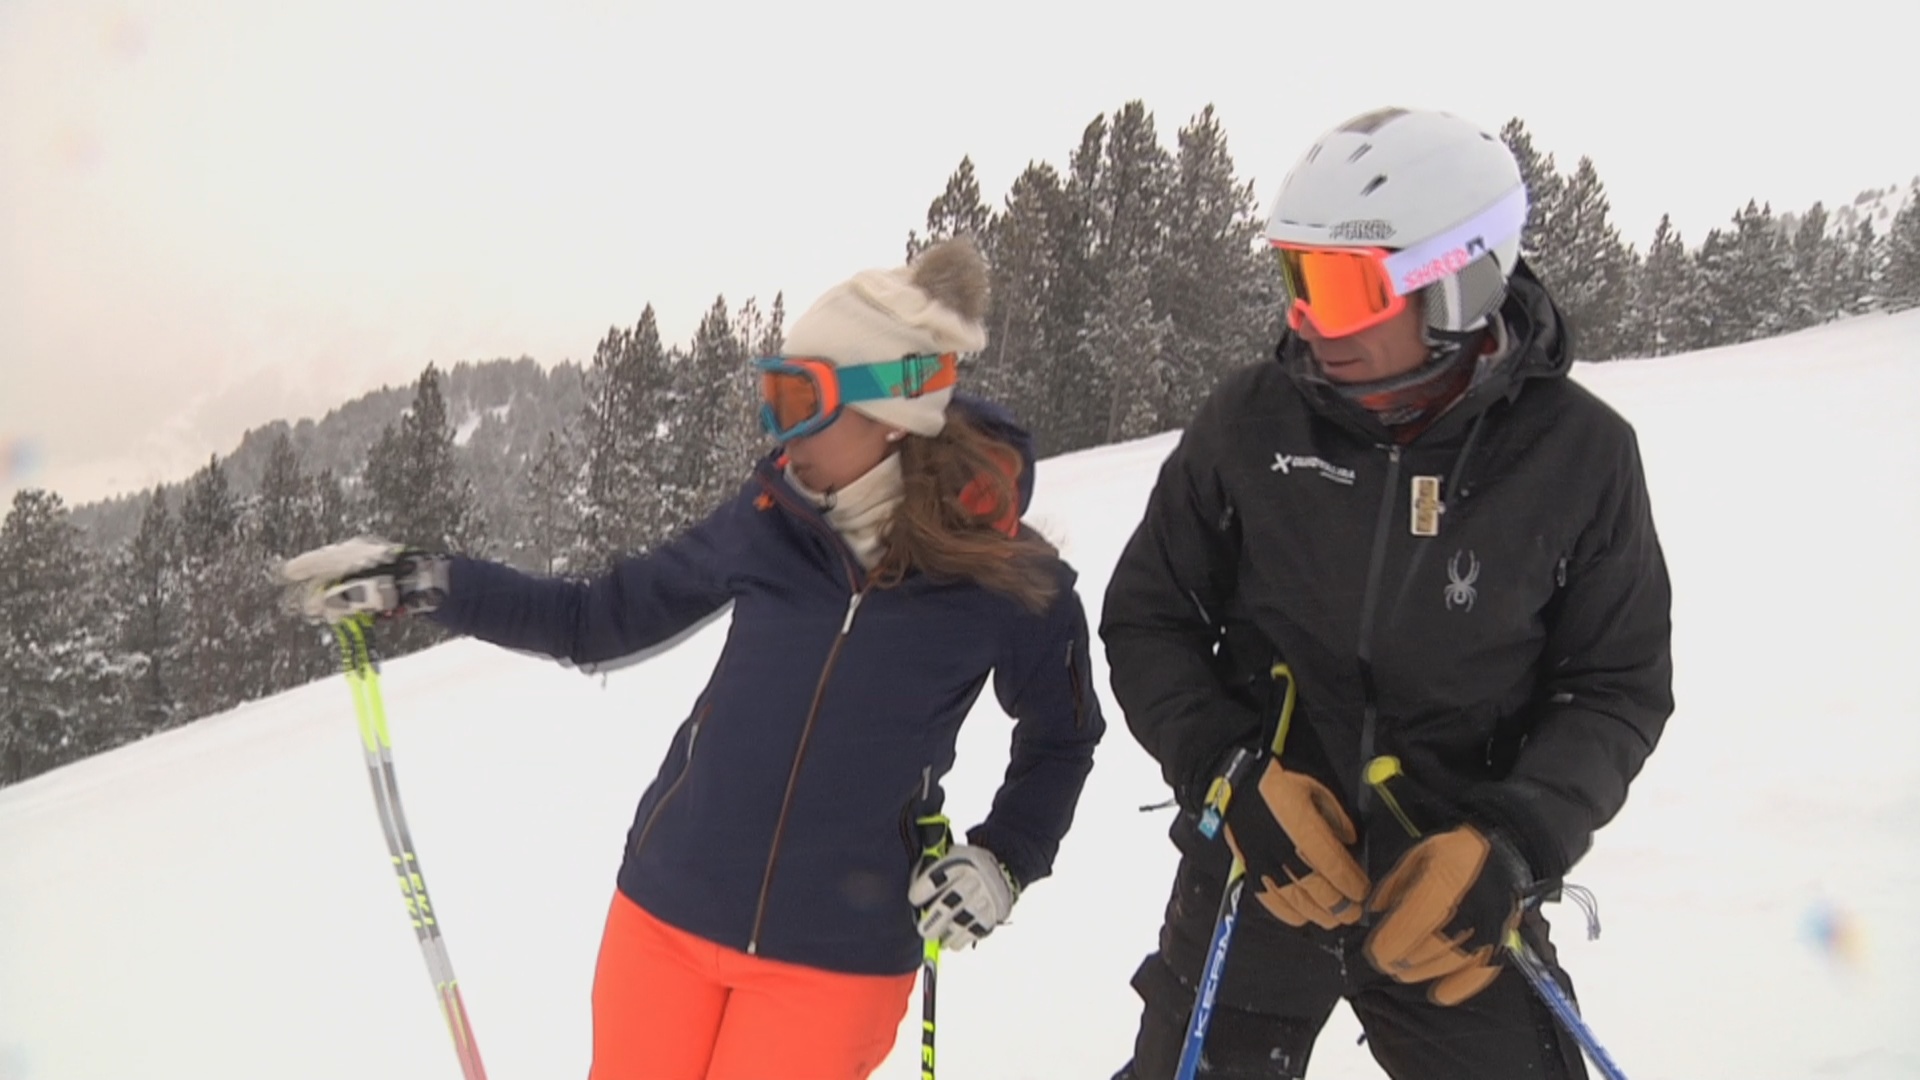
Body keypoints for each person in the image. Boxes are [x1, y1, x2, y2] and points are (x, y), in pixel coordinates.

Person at [279, 237, 1106, 1080]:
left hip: (838, 958)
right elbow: (594, 617)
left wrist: (1005, 857)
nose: (778, 432)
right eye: (773, 396)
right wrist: (427, 582)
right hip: (668, 908)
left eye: (800, 398)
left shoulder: (1006, 577)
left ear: (893, 411)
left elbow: (1063, 738)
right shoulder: (770, 518)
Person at [1101, 107, 1673, 1079]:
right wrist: (1227, 777)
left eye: (1341, 287)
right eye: (1295, 277)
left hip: (1446, 889)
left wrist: (1515, 842)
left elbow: (1612, 686)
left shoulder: (1578, 455)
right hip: (1267, 867)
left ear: (1458, 283)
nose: (1306, 319)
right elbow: (1150, 616)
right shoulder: (1250, 421)